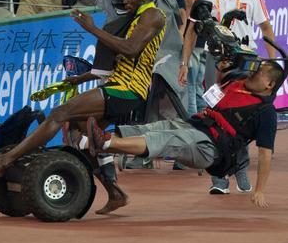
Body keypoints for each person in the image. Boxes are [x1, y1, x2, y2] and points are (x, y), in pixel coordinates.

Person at [0, 0, 166, 214]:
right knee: (83, 137)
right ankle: (116, 194)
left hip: (128, 90)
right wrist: (80, 79)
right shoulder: (134, 19)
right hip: (118, 85)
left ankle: (5, 160)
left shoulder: (153, 15)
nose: (125, 0)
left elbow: (130, 49)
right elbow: (113, 64)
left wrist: (92, 29)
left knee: (60, 113)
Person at [88, 59, 284, 209]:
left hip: (210, 147)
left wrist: (259, 190)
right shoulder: (238, 82)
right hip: (196, 124)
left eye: (259, 72)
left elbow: (266, 154)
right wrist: (220, 70)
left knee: (165, 140)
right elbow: (217, 92)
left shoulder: (266, 113)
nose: (253, 72)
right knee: (150, 128)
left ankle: (105, 143)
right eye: (255, 68)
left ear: (270, 85)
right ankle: (89, 142)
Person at [179, 0, 276, 196]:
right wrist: (184, 63)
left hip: (246, 63)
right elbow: (191, 31)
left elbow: (266, 30)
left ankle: (240, 167)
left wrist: (273, 63)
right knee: (215, 117)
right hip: (216, 63)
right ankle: (219, 177)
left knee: (239, 119)